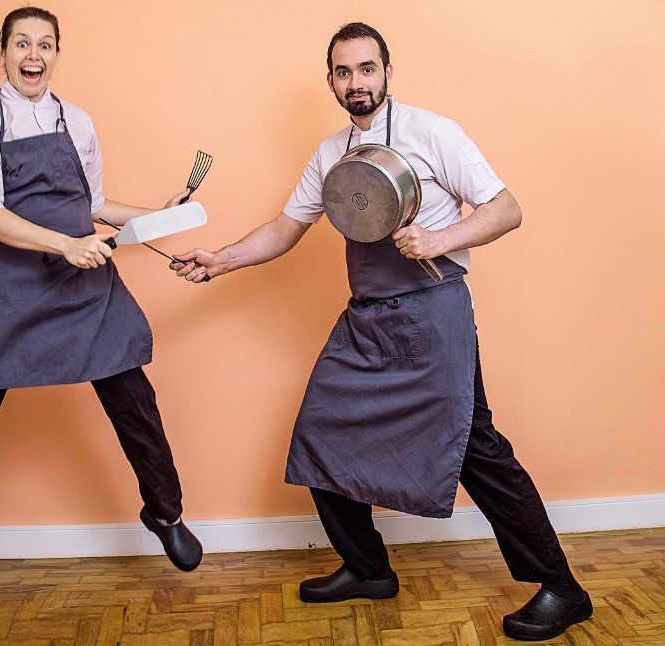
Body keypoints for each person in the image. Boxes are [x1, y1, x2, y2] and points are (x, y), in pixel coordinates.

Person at [171, 22, 592, 642]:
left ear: (388, 73)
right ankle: (369, 569)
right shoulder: (329, 154)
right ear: (332, 81)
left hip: (433, 312)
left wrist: (441, 237)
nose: (355, 83)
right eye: (343, 72)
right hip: (368, 317)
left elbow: (507, 208)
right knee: (321, 434)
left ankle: (561, 587)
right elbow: (286, 227)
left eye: (367, 69)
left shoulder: (432, 132)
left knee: (475, 447)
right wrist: (222, 259)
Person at [0, 6, 202, 611]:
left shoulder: (76, 120)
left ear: (58, 52)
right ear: (3, 51)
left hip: (79, 281)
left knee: (132, 397)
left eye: (45, 45)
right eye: (21, 44)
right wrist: (65, 245)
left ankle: (165, 514)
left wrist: (157, 215)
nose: (33, 55)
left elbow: (93, 202)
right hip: (5, 283)